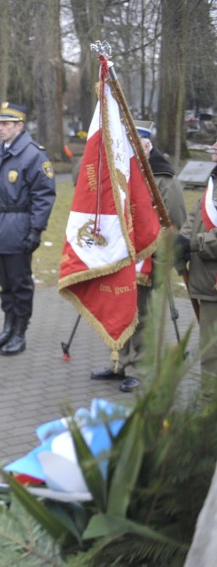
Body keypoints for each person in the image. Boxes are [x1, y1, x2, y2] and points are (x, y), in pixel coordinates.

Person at [90, 121, 187, 392]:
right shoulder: (122, 171)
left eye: (137, 147)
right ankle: (120, 363)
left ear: (147, 145)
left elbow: (175, 221)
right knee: (118, 310)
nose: (133, 152)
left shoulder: (163, 177)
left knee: (141, 315)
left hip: (148, 258)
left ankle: (141, 369)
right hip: (120, 255)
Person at [0, 102, 56, 355]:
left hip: (19, 226)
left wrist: (36, 229)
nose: (0, 128)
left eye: (6, 124)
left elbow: (43, 195)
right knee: (4, 282)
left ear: (20, 126)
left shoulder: (33, 154)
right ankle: (8, 327)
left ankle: (19, 331)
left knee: (20, 283)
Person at [177, 138, 217, 393]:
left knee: (212, 351)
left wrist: (194, 243)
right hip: (206, 280)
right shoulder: (213, 179)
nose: (213, 144)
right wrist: (182, 241)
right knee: (209, 348)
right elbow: (196, 214)